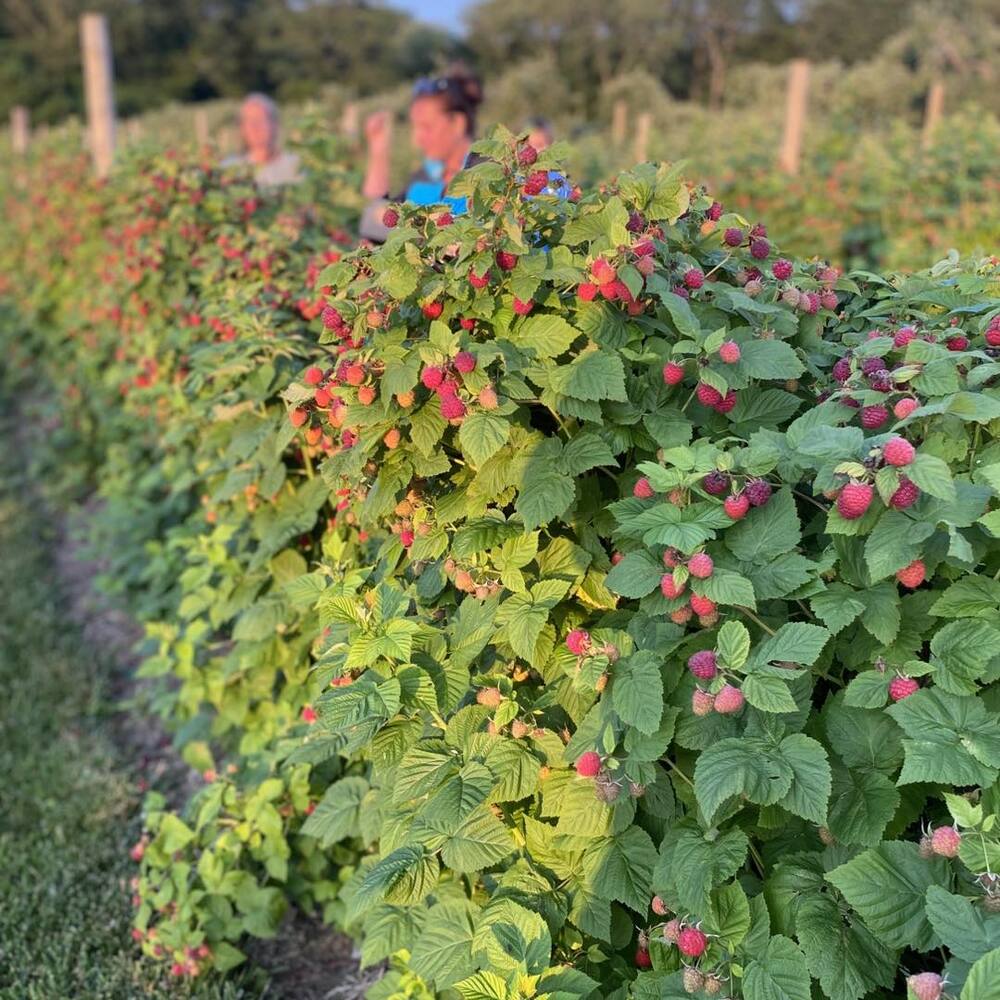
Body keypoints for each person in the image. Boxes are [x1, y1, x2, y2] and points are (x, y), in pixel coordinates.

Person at [360, 67, 483, 241]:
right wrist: (379, 150)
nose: (418, 139)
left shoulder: (490, 176)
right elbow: (375, 227)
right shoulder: (424, 179)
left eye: (426, 127)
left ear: (457, 123)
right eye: (415, 127)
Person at [224, 93, 301, 187]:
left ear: (274, 124)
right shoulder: (230, 169)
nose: (254, 126)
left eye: (260, 119)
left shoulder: (296, 166)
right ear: (242, 129)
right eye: (248, 121)